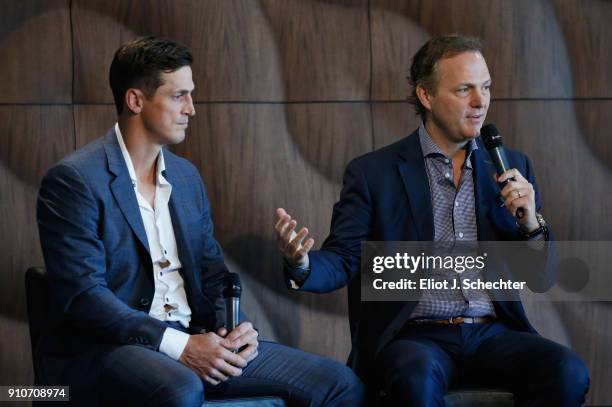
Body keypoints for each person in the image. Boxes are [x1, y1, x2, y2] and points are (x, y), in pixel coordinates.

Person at [36, 35, 363, 406]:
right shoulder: (74, 180)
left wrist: (240, 330)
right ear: (135, 100)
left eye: (190, 95)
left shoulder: (186, 178)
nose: (191, 109)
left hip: (197, 337)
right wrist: (181, 346)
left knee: (339, 383)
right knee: (180, 389)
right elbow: (85, 297)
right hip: (111, 350)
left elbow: (212, 275)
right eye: (179, 96)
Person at [275, 35, 589, 406]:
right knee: (414, 377)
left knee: (567, 371)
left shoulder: (512, 168)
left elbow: (540, 277)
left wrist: (530, 225)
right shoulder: (374, 173)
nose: (480, 101)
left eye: (485, 88)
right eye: (464, 89)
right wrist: (302, 263)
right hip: (415, 338)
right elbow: (345, 258)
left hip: (492, 333)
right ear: (426, 96)